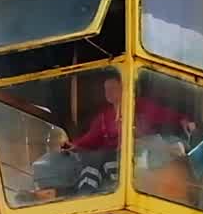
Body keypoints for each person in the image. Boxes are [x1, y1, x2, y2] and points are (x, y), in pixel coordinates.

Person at [62, 69, 194, 194]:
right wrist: (75, 145)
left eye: (112, 88)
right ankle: (86, 195)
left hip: (138, 156)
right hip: (111, 157)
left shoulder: (140, 106)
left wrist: (184, 120)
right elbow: (90, 138)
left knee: (101, 161)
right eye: (106, 89)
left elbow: (166, 115)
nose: (108, 93)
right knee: (92, 165)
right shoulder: (104, 117)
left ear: (123, 88)